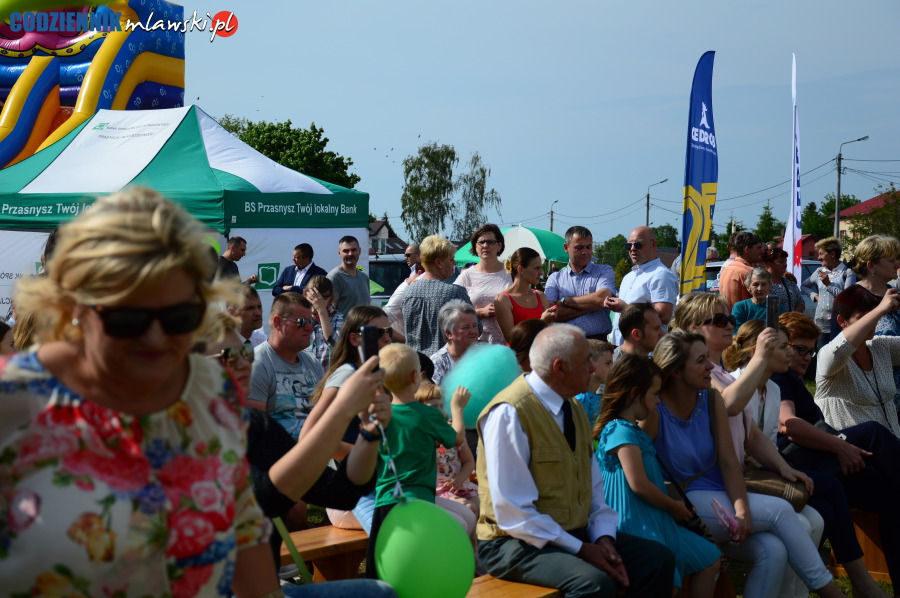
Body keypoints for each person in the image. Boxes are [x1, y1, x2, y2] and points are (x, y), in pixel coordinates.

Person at [0, 188, 279, 596]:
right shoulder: (15, 399)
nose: (156, 338)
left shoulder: (209, 390)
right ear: (72, 305)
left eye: (180, 316)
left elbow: (243, 526)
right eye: (127, 318)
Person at [196, 312, 398, 598]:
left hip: (262, 589)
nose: (244, 363)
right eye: (229, 356)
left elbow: (341, 493)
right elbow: (266, 498)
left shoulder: (254, 424)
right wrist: (342, 409)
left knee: (380, 593)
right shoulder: (178, 438)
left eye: (246, 352)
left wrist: (370, 431)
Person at [476, 324, 676, 597]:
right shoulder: (509, 413)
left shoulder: (575, 408)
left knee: (656, 560)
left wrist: (604, 538)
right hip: (514, 542)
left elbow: (594, 488)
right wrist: (582, 548)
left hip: (570, 534)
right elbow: (514, 513)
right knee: (593, 584)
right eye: (585, 362)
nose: (592, 369)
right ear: (559, 368)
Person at [647, 332, 847, 598]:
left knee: (773, 550)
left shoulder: (711, 400)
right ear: (676, 372)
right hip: (680, 502)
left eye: (708, 358)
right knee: (780, 511)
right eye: (700, 361)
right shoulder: (653, 409)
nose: (710, 367)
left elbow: (729, 461)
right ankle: (831, 593)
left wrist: (741, 509)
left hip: (717, 494)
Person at [727, 320, 891, 598]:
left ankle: (811, 590)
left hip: (768, 469)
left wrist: (784, 469)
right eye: (786, 348)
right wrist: (788, 468)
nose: (793, 355)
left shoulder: (773, 389)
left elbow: (765, 443)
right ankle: (855, 583)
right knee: (840, 474)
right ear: (759, 350)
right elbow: (759, 440)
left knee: (827, 507)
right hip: (743, 478)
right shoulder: (737, 385)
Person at [776, 311, 900, 590]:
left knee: (892, 499)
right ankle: (865, 586)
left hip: (818, 461)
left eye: (810, 351)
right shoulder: (777, 374)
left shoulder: (791, 377)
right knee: (873, 433)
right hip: (796, 463)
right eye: (799, 349)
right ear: (780, 344)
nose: (807, 357)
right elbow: (788, 425)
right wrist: (840, 446)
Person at [595, 354, 721, 596]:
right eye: (654, 394)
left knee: (709, 557)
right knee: (667, 580)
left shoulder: (633, 430)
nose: (658, 401)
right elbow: (639, 485)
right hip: (634, 523)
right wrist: (674, 506)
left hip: (654, 519)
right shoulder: (620, 430)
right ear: (635, 394)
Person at [366, 343, 468, 579]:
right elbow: (457, 439)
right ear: (416, 376)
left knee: (381, 567)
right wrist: (457, 409)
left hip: (385, 502)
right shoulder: (428, 414)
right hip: (419, 503)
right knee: (419, 566)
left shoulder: (379, 416)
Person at [302, 305, 393, 532]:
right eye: (377, 333)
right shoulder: (347, 374)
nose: (387, 339)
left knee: (461, 516)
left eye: (388, 331)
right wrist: (368, 455)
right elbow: (309, 437)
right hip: (350, 493)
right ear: (354, 339)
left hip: (378, 485)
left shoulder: (374, 375)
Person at [815, 285, 900, 437]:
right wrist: (880, 310)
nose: (872, 323)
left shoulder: (881, 346)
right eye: (864, 318)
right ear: (842, 321)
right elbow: (842, 346)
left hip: (890, 444)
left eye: (874, 317)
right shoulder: (828, 353)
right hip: (850, 447)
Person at [249, 292, 325, 439]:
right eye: (302, 322)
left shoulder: (313, 364)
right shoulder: (257, 365)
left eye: (311, 321)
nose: (310, 328)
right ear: (278, 322)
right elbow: (256, 433)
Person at [605, 226, 678, 346]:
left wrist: (625, 308)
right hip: (622, 347)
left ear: (653, 244)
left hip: (645, 350)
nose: (632, 249)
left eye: (638, 244)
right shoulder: (628, 277)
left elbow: (664, 315)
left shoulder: (661, 274)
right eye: (629, 245)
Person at [416, 382, 480, 517]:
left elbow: (469, 462)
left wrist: (459, 479)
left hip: (461, 486)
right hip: (438, 492)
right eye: (433, 407)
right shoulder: (422, 436)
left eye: (441, 406)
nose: (440, 410)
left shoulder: (453, 431)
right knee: (469, 508)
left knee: (486, 506)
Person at [402, 234, 473, 355]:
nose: (455, 262)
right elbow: (475, 329)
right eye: (451, 259)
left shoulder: (408, 292)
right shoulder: (455, 292)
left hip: (415, 361)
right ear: (438, 263)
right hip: (445, 362)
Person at [545, 226, 616, 341]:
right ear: (566, 247)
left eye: (589, 247)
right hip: (565, 343)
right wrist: (593, 304)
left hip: (597, 343)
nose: (585, 252)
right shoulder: (555, 278)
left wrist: (565, 301)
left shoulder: (604, 271)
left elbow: (602, 298)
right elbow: (551, 314)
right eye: (579, 247)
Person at [454, 224, 512, 344]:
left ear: (499, 245)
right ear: (475, 247)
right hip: (474, 343)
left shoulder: (511, 273)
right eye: (481, 242)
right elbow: (452, 310)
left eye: (490, 242)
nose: (485, 245)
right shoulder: (466, 276)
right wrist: (480, 312)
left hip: (506, 343)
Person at [494, 247, 557, 341]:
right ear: (521, 269)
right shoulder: (503, 299)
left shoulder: (540, 296)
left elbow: (548, 334)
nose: (541, 272)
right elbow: (512, 340)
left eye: (541, 268)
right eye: (537, 268)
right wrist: (543, 321)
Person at [801, 237, 853, 345]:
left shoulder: (847, 272)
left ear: (832, 254)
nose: (818, 257)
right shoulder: (819, 271)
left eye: (821, 254)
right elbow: (803, 286)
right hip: (821, 325)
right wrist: (814, 296)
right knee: (821, 354)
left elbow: (847, 298)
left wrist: (828, 284)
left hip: (840, 325)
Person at [431, 299, 480, 386]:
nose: (473, 331)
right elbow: (434, 394)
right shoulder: (438, 362)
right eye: (466, 327)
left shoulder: (483, 353)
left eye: (475, 326)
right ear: (449, 333)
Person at [303, 275, 344, 370]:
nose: (314, 307)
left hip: (329, 375)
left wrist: (321, 311)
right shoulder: (302, 318)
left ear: (330, 300)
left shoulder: (338, 318)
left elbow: (337, 346)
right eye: (310, 302)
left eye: (319, 303)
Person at [720, 231, 765, 308]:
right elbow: (766, 303)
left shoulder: (726, 269)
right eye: (758, 248)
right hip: (746, 315)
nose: (762, 251)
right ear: (747, 250)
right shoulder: (750, 273)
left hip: (729, 315)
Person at [327, 235, 370, 314]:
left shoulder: (364, 277)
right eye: (346, 251)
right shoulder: (334, 277)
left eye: (354, 250)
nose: (350, 254)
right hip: (345, 323)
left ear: (359, 251)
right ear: (339, 253)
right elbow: (329, 311)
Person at [575, 339, 614, 424]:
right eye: (608, 363)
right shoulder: (580, 400)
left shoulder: (596, 398)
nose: (612, 368)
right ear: (589, 363)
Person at [764, 248, 805, 315]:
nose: (785, 264)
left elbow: (801, 302)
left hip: (791, 320)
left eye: (785, 261)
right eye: (781, 262)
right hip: (771, 320)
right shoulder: (762, 283)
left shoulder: (789, 281)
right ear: (770, 264)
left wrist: (793, 315)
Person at [731, 268, 772, 332]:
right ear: (748, 288)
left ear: (769, 287)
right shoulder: (740, 307)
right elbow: (736, 332)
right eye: (756, 284)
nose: (760, 288)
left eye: (764, 284)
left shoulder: (775, 307)